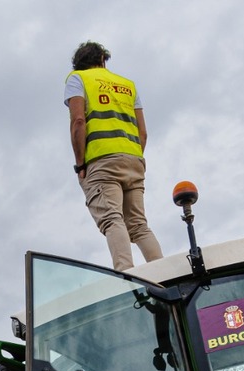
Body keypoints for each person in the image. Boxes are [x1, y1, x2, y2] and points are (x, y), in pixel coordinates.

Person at [65, 41, 163, 272]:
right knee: (139, 225)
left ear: (79, 63)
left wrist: (81, 165)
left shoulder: (77, 79)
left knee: (112, 218)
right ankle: (166, 272)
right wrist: (133, 156)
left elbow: (79, 121)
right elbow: (143, 132)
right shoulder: (128, 85)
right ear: (102, 60)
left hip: (101, 160)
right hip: (134, 159)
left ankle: (125, 276)